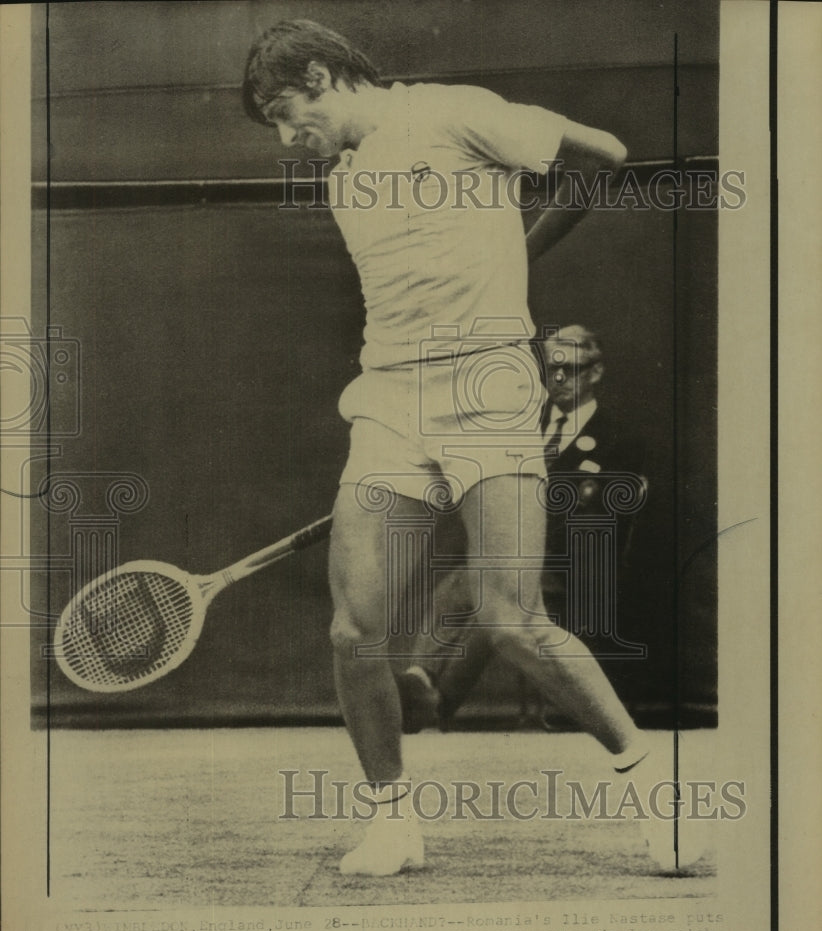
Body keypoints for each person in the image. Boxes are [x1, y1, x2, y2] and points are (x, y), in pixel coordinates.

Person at [243, 20, 660, 876]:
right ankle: (393, 822)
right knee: (355, 630)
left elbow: (607, 154)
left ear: (322, 74)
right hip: (391, 398)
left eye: (287, 113)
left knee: (513, 621)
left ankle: (655, 793)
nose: (289, 138)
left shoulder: (456, 113)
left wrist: (519, 253)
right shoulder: (342, 176)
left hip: (489, 389)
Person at [396, 325, 649, 732]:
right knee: (457, 588)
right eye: (552, 370)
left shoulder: (619, 438)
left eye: (573, 369)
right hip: (515, 552)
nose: (560, 380)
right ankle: (420, 678)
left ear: (596, 373)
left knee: (494, 606)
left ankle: (433, 706)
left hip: (574, 567)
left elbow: (595, 524)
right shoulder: (523, 426)